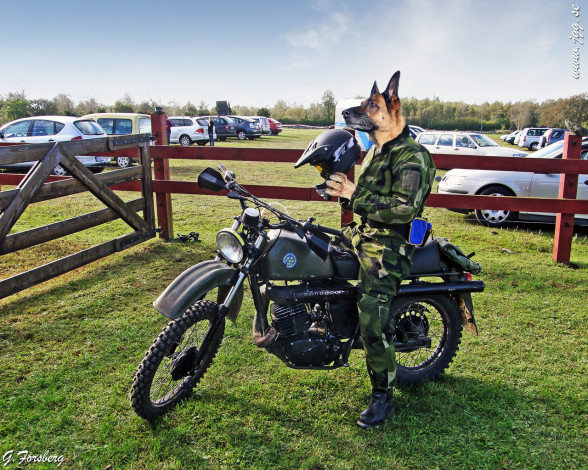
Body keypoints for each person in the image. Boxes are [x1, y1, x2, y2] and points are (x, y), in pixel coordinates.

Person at [325, 73, 436, 428]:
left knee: (373, 313)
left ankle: (382, 397)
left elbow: (403, 208)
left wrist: (352, 195)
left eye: (371, 107)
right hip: (364, 232)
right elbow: (365, 198)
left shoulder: (414, 156)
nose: (359, 112)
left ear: (393, 109)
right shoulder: (376, 149)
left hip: (390, 242)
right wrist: (340, 187)